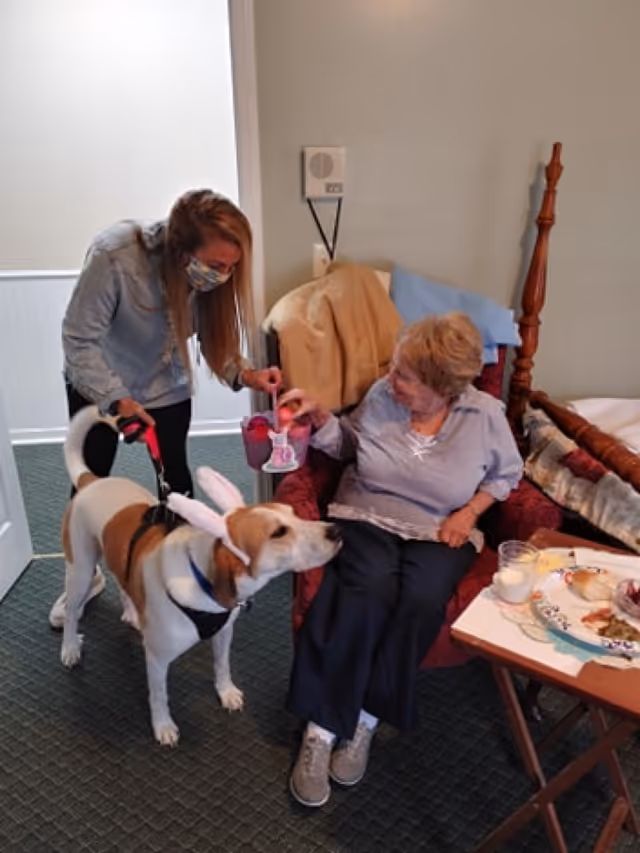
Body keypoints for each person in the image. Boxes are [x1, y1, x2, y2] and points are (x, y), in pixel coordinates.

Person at [278, 312, 523, 808]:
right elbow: (350, 445)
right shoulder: (382, 395)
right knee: (364, 588)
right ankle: (321, 728)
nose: (391, 379)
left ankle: (366, 719)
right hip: (366, 512)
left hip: (441, 527)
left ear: (441, 387)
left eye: (405, 376)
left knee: (423, 598)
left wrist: (469, 513)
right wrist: (322, 420)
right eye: (394, 368)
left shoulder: (484, 416)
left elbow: (506, 475)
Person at [49, 189, 281, 629]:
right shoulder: (115, 255)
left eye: (231, 267)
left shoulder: (210, 280)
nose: (224, 275)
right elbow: (79, 339)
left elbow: (213, 338)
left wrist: (248, 375)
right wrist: (116, 398)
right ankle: (85, 576)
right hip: (99, 379)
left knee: (176, 481)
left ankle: (178, 571)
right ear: (180, 251)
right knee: (90, 483)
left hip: (165, 382)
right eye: (216, 265)